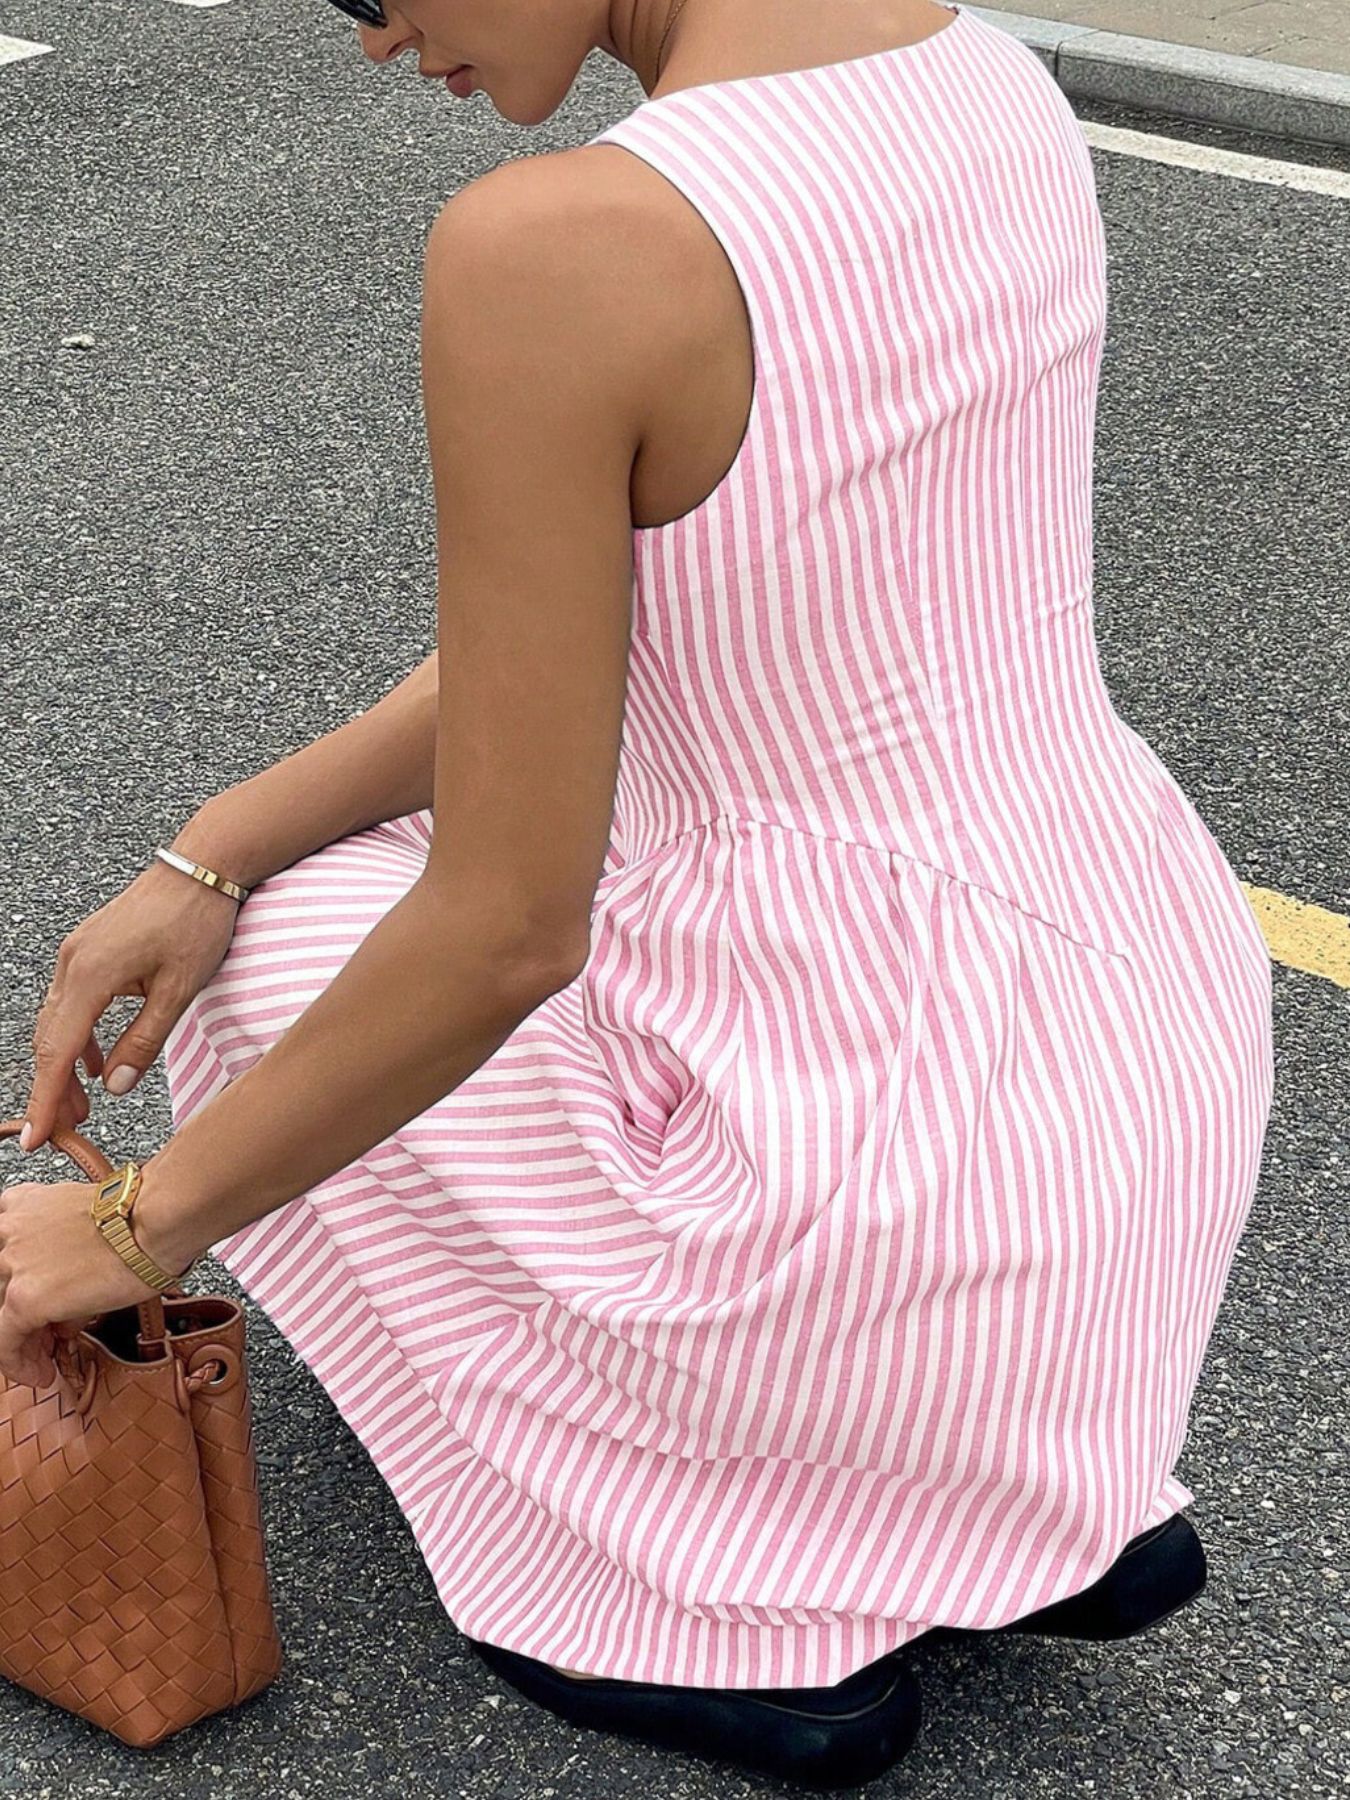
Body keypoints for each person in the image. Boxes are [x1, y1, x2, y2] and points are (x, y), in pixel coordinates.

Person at [0, 0, 1275, 1787]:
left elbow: (505, 933)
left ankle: (703, 1600)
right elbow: (678, 617)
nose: (371, 38)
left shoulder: (563, 243)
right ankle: (1012, 1486)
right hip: (1137, 1057)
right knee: (303, 893)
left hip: (872, 1164)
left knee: (276, 980)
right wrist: (213, 845)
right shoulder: (978, 69)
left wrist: (137, 1226)